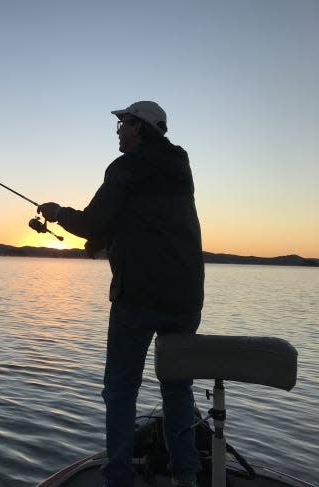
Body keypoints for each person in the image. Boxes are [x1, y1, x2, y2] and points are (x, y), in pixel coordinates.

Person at [37, 101, 204, 487]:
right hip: (186, 298)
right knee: (178, 388)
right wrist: (103, 239)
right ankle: (187, 477)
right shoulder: (181, 168)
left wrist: (58, 211)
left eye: (122, 123)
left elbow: (93, 218)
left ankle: (118, 478)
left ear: (140, 127)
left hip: (138, 298)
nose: (117, 130)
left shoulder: (125, 166)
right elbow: (145, 218)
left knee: (120, 390)